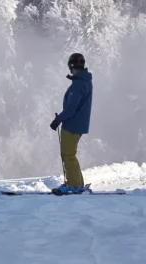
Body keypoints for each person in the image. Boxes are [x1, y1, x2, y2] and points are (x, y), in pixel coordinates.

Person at [49, 52, 92, 194]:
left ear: (71, 66)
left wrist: (58, 119)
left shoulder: (78, 85)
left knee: (67, 155)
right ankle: (77, 183)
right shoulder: (85, 81)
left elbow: (71, 108)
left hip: (72, 125)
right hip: (78, 125)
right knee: (71, 155)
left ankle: (74, 185)